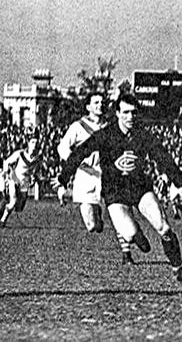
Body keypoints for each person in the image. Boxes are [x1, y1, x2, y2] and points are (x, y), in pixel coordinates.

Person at [53, 93, 182, 282]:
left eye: (134, 113)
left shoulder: (143, 135)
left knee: (164, 227)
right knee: (130, 233)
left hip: (140, 188)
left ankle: (178, 270)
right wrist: (62, 178)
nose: (130, 117)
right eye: (125, 112)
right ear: (117, 113)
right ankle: (137, 237)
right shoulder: (105, 135)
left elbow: (163, 157)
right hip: (115, 193)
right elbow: (79, 152)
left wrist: (180, 183)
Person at [57, 93, 134, 264]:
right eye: (96, 102)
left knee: (119, 212)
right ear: (88, 107)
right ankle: (97, 217)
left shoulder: (111, 127)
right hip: (85, 176)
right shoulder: (78, 127)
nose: (100, 105)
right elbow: (62, 148)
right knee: (92, 226)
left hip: (108, 174)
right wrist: (74, 162)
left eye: (102, 102)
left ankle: (126, 253)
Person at [0, 136, 38, 228]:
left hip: (24, 181)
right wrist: (7, 174)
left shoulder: (36, 157)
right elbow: (6, 162)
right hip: (15, 178)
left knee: (20, 206)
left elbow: (33, 170)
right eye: (32, 142)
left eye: (36, 143)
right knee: (13, 201)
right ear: (28, 143)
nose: (34, 145)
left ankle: (5, 205)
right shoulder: (20, 154)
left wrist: (32, 177)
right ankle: (2, 221)